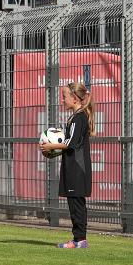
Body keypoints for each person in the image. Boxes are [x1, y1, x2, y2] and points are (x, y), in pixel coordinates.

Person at [40, 82, 94, 249]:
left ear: (75, 98)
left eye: (64, 97)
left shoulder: (79, 117)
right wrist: (53, 151)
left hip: (77, 169)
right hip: (73, 167)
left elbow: (71, 143)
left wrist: (51, 146)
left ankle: (79, 240)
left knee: (77, 204)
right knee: (75, 203)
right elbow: (70, 143)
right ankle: (79, 239)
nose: (62, 100)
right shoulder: (76, 117)